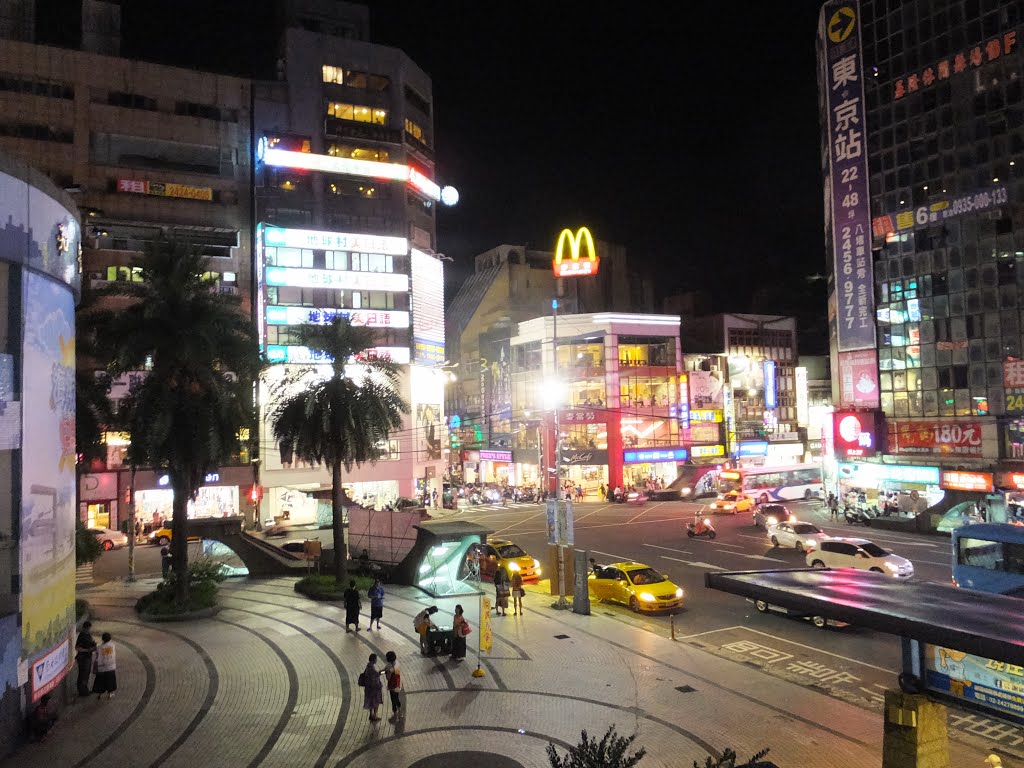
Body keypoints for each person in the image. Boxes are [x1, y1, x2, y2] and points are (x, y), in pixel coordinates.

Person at [74, 620, 97, 697]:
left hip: (88, 657)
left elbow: (91, 642)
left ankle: (84, 690)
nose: (89, 630)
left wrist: (93, 645)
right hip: (83, 659)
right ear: (85, 628)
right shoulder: (82, 636)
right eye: (88, 628)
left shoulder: (88, 634)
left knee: (86, 674)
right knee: (83, 675)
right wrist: (87, 650)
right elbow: (77, 648)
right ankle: (82, 691)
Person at [93, 632, 117, 699]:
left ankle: (100, 694)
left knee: (101, 682)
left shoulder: (100, 647)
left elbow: (97, 656)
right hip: (111, 667)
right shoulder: (112, 645)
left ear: (102, 639)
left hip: (102, 667)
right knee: (110, 681)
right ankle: (110, 693)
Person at [362, 653, 383, 721]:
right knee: (376, 701)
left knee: (371, 701)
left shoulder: (368, 666)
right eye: (376, 659)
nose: (376, 660)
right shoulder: (371, 667)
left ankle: (371, 714)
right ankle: (375, 715)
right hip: (374, 688)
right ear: (374, 660)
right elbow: (377, 674)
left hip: (368, 688)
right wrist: (384, 672)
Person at [384, 650, 403, 722]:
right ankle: (399, 708)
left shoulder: (388, 666)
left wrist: (382, 672)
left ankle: (394, 711)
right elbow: (397, 672)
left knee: (392, 697)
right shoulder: (397, 664)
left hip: (392, 684)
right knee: (397, 697)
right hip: (397, 683)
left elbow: (388, 676)